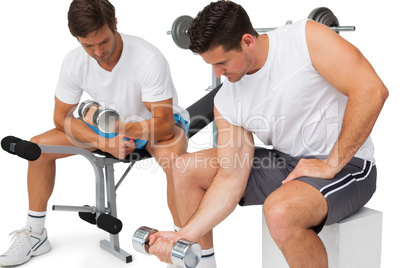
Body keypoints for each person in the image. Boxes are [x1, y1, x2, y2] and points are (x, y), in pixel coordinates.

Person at [146, 1, 388, 267]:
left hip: (348, 166)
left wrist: (332, 162)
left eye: (222, 62)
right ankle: (203, 263)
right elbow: (230, 178)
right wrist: (183, 235)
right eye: (212, 65)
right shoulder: (227, 99)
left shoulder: (304, 39)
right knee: (184, 168)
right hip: (286, 164)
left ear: (247, 41)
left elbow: (371, 90)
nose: (218, 73)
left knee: (280, 211)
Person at [0, 0, 189, 266]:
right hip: (107, 126)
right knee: (38, 148)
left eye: (103, 42)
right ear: (77, 39)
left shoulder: (147, 58)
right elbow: (60, 117)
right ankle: (35, 234)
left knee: (178, 166)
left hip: (154, 123)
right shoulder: (74, 61)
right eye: (88, 45)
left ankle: (182, 245)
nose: (99, 52)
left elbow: (164, 124)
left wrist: (114, 131)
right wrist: (103, 140)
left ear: (114, 24)